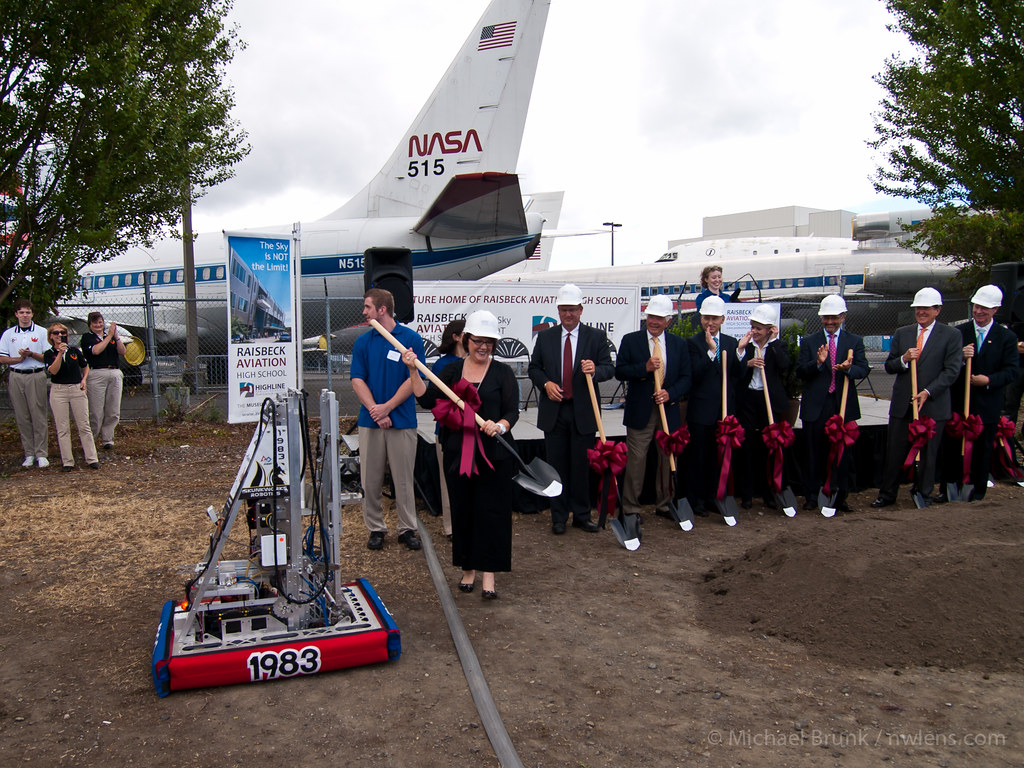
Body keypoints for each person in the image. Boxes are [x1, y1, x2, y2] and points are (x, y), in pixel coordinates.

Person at [407, 311, 518, 599]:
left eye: (489, 342)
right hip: (458, 454)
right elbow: (427, 398)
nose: (483, 347)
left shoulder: (503, 373)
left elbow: (511, 411)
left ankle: (489, 575)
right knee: (464, 509)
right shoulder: (452, 371)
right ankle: (468, 569)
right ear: (466, 340)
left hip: (493, 454)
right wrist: (412, 370)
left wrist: (501, 426)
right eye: (478, 341)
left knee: (492, 512)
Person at [528, 283, 614, 534]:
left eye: (572, 310)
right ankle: (558, 516)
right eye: (564, 310)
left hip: (584, 412)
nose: (568, 314)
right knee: (556, 467)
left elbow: (609, 368)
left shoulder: (595, 337)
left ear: (581, 310)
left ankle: (581, 514)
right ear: (558, 310)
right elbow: (534, 368)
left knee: (581, 467)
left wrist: (596, 371)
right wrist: (546, 384)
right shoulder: (545, 337)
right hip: (555, 412)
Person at [871, 287, 962, 508]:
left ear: (937, 310)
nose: (921, 312)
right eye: (918, 308)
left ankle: (924, 493)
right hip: (904, 404)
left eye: (926, 308)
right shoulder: (903, 333)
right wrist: (903, 359)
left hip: (933, 404)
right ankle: (887, 494)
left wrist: (928, 391)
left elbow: (951, 370)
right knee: (895, 451)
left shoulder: (951, 335)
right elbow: (890, 365)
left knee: (929, 454)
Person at [350, 288, 425, 551]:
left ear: (382, 310)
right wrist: (375, 410)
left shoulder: (410, 339)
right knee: (370, 479)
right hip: (370, 422)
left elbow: (414, 380)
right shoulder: (363, 342)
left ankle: (407, 528)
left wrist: (388, 408)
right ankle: (376, 528)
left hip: (402, 421)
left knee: (403, 478)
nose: (364, 312)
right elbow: (357, 379)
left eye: (368, 307)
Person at [614, 294, 691, 524]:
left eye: (659, 318)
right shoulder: (631, 340)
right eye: (650, 317)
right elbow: (620, 371)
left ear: (668, 320)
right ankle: (630, 508)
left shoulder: (678, 344)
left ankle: (664, 503)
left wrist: (670, 393)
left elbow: (687, 377)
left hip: (668, 410)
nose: (654, 322)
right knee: (637, 460)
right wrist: (644, 368)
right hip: (641, 411)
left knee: (667, 458)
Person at [941, 285, 1019, 500]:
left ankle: (977, 491)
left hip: (987, 405)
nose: (978, 312)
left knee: (982, 450)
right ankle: (949, 489)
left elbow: (1012, 370)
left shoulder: (1006, 337)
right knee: (953, 448)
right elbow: (946, 365)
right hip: (960, 402)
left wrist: (989, 380)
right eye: (976, 307)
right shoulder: (959, 333)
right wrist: (960, 357)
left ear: (995, 310)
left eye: (984, 308)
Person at [796, 295, 869, 512]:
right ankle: (811, 495)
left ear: (843, 317)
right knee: (813, 452)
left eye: (834, 318)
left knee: (841, 454)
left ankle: (839, 496)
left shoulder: (854, 341)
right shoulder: (809, 341)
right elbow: (800, 371)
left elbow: (863, 369)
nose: (830, 322)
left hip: (842, 405)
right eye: (826, 318)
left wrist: (849, 369)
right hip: (816, 406)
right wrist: (817, 363)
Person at [682, 295, 744, 515]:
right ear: (700, 319)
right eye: (706, 318)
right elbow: (694, 375)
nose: (710, 322)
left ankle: (713, 497)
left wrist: (740, 353)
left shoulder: (730, 342)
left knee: (718, 458)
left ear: (723, 319)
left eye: (715, 318)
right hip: (701, 411)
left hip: (724, 410)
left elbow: (737, 375)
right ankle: (695, 500)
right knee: (698, 457)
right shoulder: (693, 343)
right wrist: (710, 352)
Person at [735, 304, 791, 509]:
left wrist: (774, 343)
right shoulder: (746, 346)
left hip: (770, 401)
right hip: (749, 400)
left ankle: (769, 493)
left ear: (770, 329)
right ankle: (747, 494)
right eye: (753, 327)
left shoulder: (778, 346)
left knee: (770, 447)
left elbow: (785, 366)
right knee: (748, 447)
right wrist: (746, 362)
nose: (755, 332)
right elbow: (736, 373)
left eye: (759, 328)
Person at [0, 299, 50, 468]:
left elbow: (47, 357)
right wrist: (18, 359)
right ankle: (29, 453)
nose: (25, 315)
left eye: (28, 312)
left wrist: (31, 354)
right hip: (16, 376)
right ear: (16, 314)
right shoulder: (9, 334)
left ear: (32, 314)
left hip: (35, 375)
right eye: (21, 312)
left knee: (38, 414)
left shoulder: (42, 332)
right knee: (22, 416)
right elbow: (2, 358)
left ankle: (41, 453)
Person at [43, 323, 100, 472]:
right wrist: (60, 354)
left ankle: (92, 458)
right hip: (59, 390)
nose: (59, 335)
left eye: (62, 332)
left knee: (84, 425)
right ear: (51, 336)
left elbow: (84, 366)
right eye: (56, 333)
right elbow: (53, 371)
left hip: (76, 388)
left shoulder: (74, 350)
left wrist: (84, 379)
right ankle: (67, 461)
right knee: (62, 427)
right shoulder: (49, 353)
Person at [431, 318, 467, 539]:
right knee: (448, 481)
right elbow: (435, 401)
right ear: (456, 336)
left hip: (474, 433)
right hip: (448, 432)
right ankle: (452, 526)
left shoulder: (478, 362)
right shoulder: (442, 366)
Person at [80, 312, 126, 450]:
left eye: (100, 322)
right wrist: (109, 336)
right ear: (90, 325)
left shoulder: (111, 338)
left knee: (113, 408)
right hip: (97, 373)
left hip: (114, 372)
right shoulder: (87, 338)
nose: (98, 325)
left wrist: (115, 337)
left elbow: (122, 351)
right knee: (96, 410)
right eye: (95, 323)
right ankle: (91, 439)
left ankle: (108, 438)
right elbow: (96, 351)